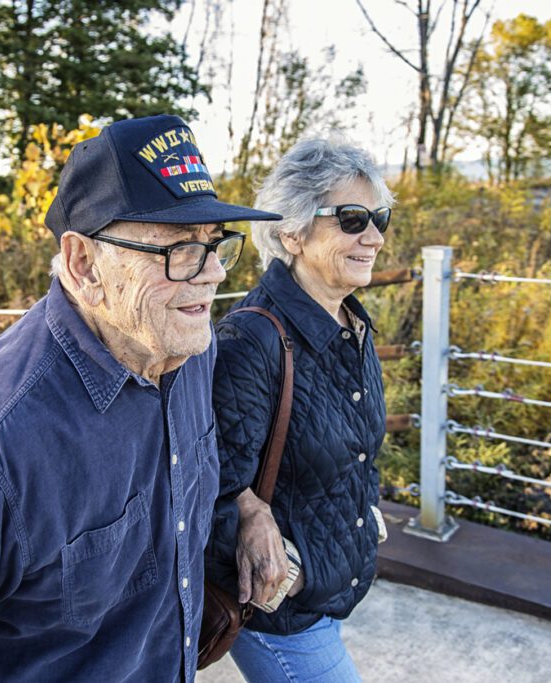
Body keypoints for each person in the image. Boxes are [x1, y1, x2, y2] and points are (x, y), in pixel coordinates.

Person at [0, 115, 280, 682]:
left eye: (214, 245)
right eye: (179, 250)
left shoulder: (188, 348)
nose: (209, 276)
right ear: (84, 263)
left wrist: (248, 509)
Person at [205, 139, 393, 682]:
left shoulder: (350, 326)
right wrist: (255, 523)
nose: (374, 237)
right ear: (292, 231)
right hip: (283, 616)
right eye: (352, 219)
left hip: (331, 591)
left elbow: (356, 455)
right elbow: (206, 478)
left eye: (377, 218)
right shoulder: (253, 339)